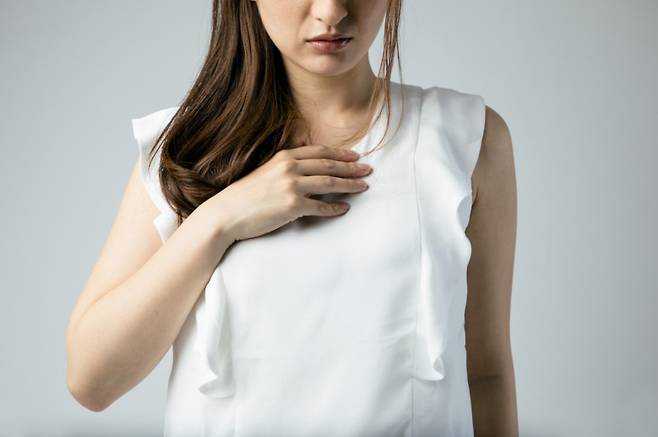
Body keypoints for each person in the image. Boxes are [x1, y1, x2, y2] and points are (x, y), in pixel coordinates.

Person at [66, 0, 518, 436]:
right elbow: (92, 381)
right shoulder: (186, 151)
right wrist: (220, 219)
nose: (332, 11)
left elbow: (486, 372)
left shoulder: (465, 138)